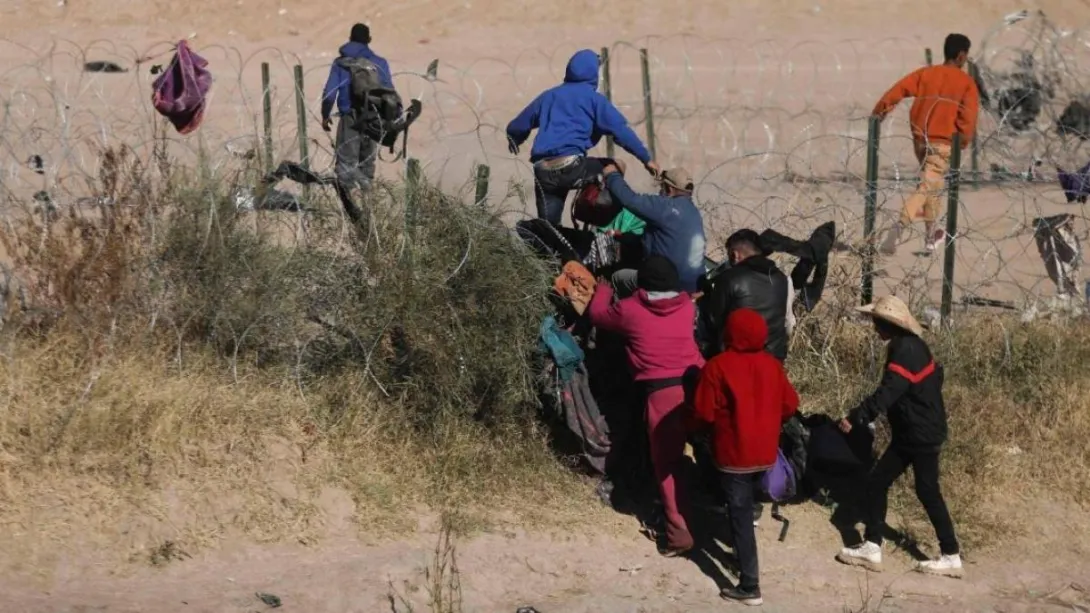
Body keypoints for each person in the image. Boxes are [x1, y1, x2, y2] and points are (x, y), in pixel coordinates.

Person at [835, 295, 962, 578]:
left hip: (916, 434)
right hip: (923, 430)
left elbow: (889, 391)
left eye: (875, 322)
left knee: (882, 483)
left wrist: (857, 417)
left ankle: (874, 546)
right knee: (917, 489)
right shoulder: (914, 345)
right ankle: (949, 553)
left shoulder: (903, 350)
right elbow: (932, 379)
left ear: (885, 325)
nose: (873, 327)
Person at [587, 255, 704, 556]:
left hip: (662, 394)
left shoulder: (630, 310)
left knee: (667, 464)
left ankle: (679, 535)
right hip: (698, 386)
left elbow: (598, 316)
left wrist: (602, 287)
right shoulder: (687, 307)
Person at [691, 308, 799, 606]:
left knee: (738, 512)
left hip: (733, 453)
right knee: (747, 506)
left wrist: (700, 433)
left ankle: (749, 585)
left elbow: (702, 413)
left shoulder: (717, 366)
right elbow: (790, 405)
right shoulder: (772, 365)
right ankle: (741, 553)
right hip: (765, 452)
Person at [506, 49, 660, 227]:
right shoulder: (594, 99)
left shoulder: (549, 96)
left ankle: (548, 248)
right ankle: (599, 218)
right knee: (616, 165)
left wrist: (515, 139)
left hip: (543, 170)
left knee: (550, 231)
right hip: (571, 167)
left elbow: (516, 125)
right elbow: (621, 131)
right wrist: (646, 159)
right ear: (593, 73)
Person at [873, 33, 980, 255]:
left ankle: (931, 237)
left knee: (932, 186)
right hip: (943, 143)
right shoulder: (966, 82)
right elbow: (968, 118)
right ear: (961, 56)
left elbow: (898, 90)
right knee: (926, 187)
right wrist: (962, 141)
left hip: (921, 140)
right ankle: (896, 231)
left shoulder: (926, 74)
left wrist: (880, 112)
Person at [600, 163, 707, 296]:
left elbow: (629, 200)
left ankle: (620, 312)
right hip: (693, 285)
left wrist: (612, 175)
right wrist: (624, 236)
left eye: (662, 187)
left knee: (618, 278)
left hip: (671, 283)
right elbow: (664, 240)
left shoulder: (665, 206)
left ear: (669, 189)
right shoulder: (694, 213)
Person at [320, 23, 396, 194]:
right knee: (367, 167)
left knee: (346, 167)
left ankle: (348, 212)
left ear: (350, 38)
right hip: (374, 119)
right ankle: (368, 211)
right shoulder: (379, 63)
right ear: (369, 40)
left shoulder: (341, 63)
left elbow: (330, 94)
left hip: (350, 119)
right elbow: (389, 93)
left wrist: (325, 115)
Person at [703, 229, 794, 362]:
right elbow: (787, 322)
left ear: (735, 255)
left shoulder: (729, 279)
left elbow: (715, 321)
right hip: (773, 359)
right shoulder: (781, 279)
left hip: (736, 360)